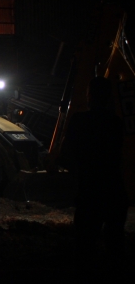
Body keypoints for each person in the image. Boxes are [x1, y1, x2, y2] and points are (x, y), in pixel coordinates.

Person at [57, 76, 129, 268]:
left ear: (89, 95)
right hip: (114, 189)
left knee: (85, 244)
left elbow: (66, 154)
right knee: (115, 243)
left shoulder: (80, 121)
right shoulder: (116, 123)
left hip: (90, 190)